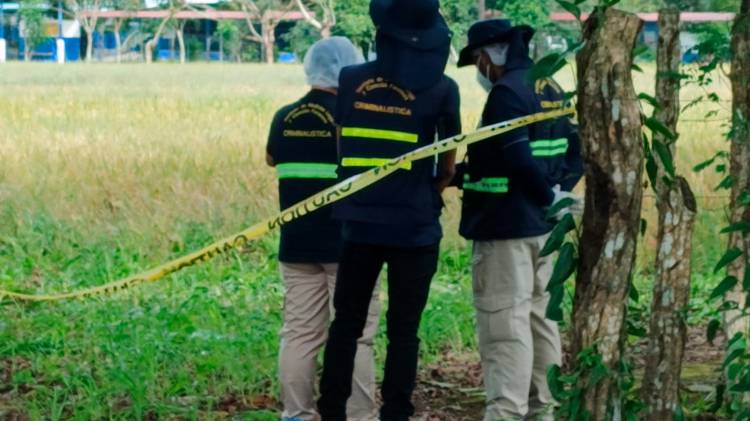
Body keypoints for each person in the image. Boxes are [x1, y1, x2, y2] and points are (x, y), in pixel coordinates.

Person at [316, 1, 461, 420]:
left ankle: (332, 411)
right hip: (415, 227)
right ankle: (396, 412)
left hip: (359, 225)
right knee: (403, 331)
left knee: (346, 325)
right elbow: (448, 165)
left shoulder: (349, 79)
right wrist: (424, 191)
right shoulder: (443, 89)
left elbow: (342, 149)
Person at [454, 19, 584, 421]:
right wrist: (557, 198)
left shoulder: (506, 94)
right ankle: (543, 410)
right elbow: (575, 152)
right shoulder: (550, 86)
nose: (479, 70)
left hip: (505, 229)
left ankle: (506, 413)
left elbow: (518, 159)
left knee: (505, 326)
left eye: (477, 60)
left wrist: (546, 197)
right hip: (544, 229)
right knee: (540, 318)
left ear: (490, 55)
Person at [265, 37, 381, 421]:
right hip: (348, 246)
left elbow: (271, 158)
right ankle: (358, 415)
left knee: (299, 333)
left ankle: (296, 414)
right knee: (356, 334)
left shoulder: (284, 117)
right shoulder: (352, 119)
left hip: (297, 244)